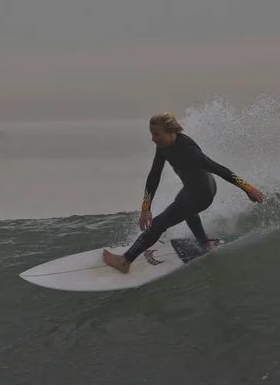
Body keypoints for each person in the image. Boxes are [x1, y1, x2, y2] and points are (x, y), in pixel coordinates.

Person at [103, 112, 264, 274]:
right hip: (191, 190)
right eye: (152, 134)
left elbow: (219, 169)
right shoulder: (163, 147)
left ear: (171, 132)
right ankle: (204, 242)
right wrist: (146, 207)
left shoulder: (188, 150)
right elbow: (154, 175)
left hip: (202, 193)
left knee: (159, 223)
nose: (153, 138)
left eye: (156, 134)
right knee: (182, 205)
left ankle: (125, 261)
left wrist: (248, 189)